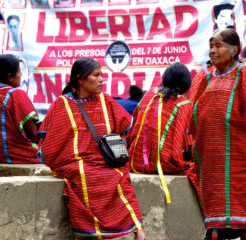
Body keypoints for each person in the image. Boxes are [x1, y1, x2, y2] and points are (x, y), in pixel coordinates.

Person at [37, 57, 147, 240]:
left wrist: (118, 150)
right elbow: (51, 142)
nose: (102, 79)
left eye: (101, 75)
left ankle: (139, 230)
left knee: (120, 174)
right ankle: (95, 233)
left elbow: (127, 126)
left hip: (105, 161)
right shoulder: (62, 104)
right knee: (86, 176)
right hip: (77, 163)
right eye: (96, 75)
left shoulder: (106, 100)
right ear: (80, 79)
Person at [189, 28, 246, 239]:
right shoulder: (206, 76)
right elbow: (193, 111)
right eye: (211, 46)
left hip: (237, 157)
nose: (212, 51)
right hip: (210, 159)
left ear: (234, 50)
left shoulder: (242, 74)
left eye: (218, 46)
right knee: (215, 210)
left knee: (238, 207)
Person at [127, 62, 197, 204]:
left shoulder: (148, 97)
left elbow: (132, 128)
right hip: (164, 163)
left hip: (135, 160)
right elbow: (179, 143)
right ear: (186, 83)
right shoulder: (184, 104)